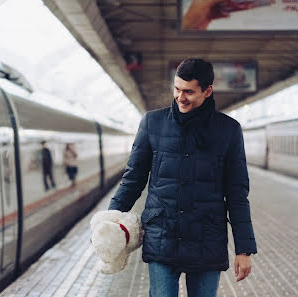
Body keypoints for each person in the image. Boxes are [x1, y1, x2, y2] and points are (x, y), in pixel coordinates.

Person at [108, 59, 257, 297]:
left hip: (206, 240)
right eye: (177, 89)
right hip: (162, 236)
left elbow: (237, 193)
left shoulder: (228, 130)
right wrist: (108, 221)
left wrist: (244, 249)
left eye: (189, 91)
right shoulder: (152, 123)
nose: (180, 97)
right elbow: (133, 179)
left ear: (208, 91)